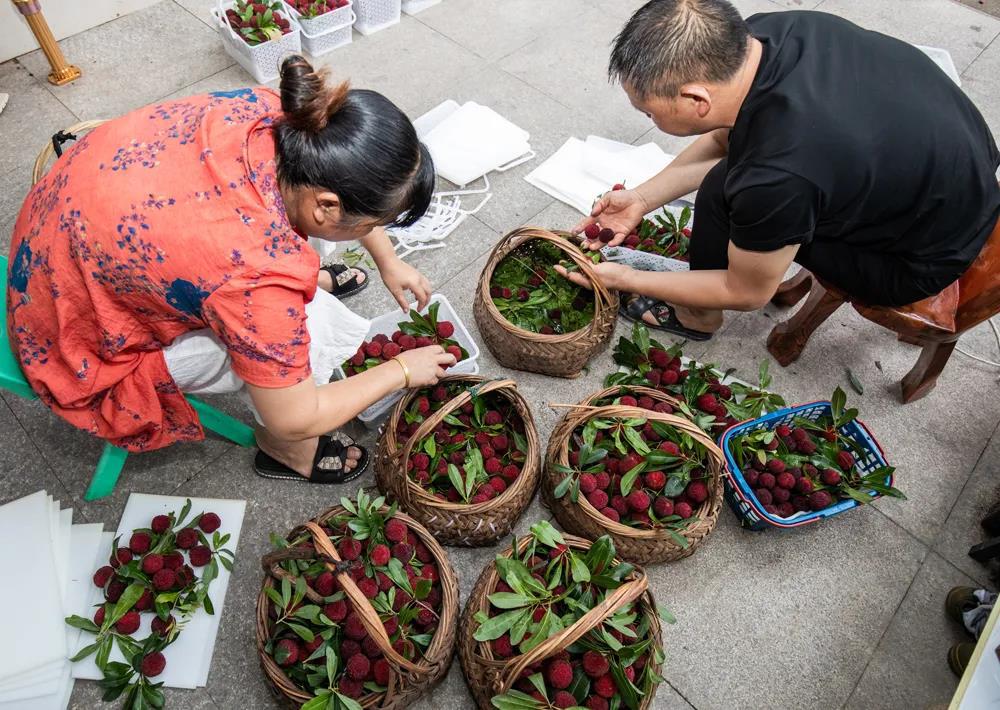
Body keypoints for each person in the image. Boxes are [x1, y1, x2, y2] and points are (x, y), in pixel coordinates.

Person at [6, 55, 456, 484]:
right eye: (375, 223)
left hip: (59, 242)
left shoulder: (285, 117)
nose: (375, 232)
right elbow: (295, 415)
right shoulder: (255, 279)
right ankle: (284, 451)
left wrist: (388, 260)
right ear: (328, 205)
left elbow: (333, 198)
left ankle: (306, 283)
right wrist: (401, 370)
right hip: (73, 343)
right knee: (308, 332)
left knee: (280, 286)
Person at [561, 0, 1000, 341]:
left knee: (732, 195)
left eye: (648, 112)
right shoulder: (769, 34)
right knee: (734, 184)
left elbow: (747, 291)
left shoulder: (777, 177)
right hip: (959, 180)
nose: (648, 119)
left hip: (912, 259)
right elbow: (727, 139)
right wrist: (640, 199)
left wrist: (626, 277)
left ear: (696, 99)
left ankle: (697, 317)